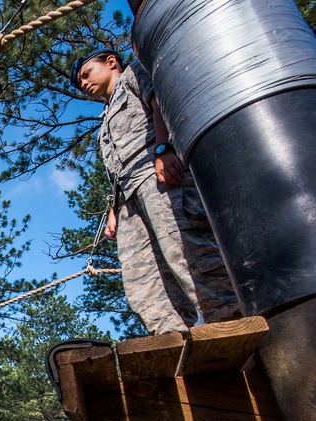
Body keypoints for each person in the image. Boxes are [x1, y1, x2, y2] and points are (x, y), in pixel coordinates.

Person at [71, 48, 240, 336]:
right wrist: (114, 210)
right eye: (79, 83)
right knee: (145, 282)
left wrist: (164, 147)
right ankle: (174, 342)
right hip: (128, 202)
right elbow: (117, 168)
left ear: (111, 62)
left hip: (158, 177)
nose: (84, 84)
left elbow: (160, 103)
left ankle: (236, 328)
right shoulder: (105, 118)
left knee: (189, 259)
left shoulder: (135, 75)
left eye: (86, 74)